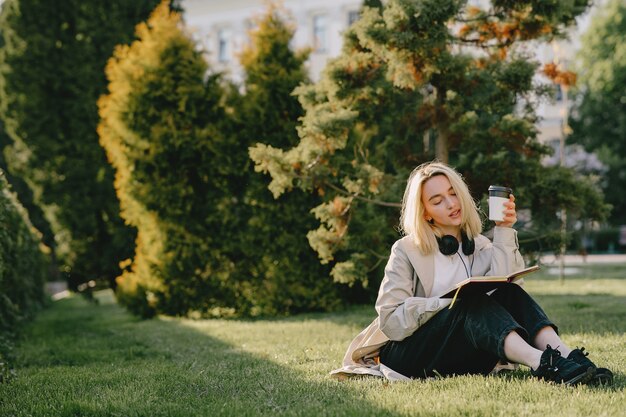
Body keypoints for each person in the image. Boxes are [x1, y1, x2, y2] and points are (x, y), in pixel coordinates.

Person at [331, 161, 612, 385]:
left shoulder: (478, 245)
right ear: (425, 212)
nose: (451, 204)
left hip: (460, 354)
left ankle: (570, 359)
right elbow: (390, 320)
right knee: (469, 302)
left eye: (453, 193)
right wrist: (447, 303)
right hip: (408, 354)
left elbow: (506, 282)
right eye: (438, 200)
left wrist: (503, 228)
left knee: (510, 291)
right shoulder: (406, 250)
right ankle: (544, 363)